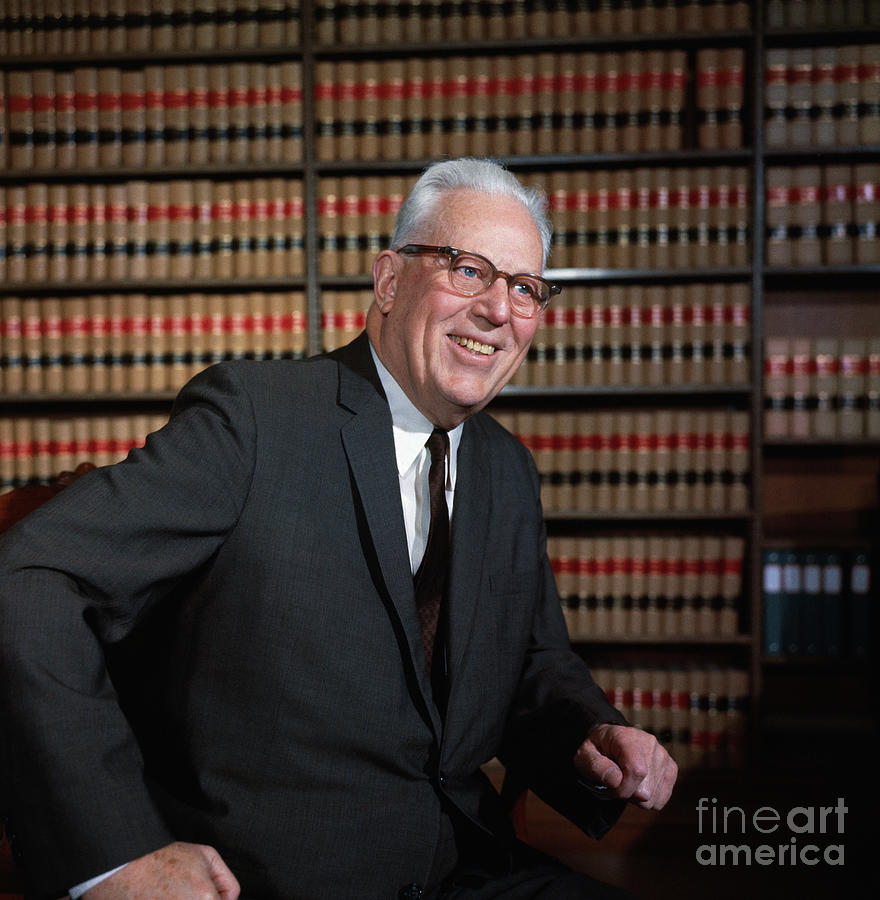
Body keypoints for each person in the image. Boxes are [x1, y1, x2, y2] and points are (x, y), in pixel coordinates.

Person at [0, 158, 676, 900]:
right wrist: (117, 853)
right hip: (273, 879)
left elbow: (529, 665)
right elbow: (28, 580)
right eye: (469, 270)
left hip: (466, 868)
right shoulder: (255, 420)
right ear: (389, 280)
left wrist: (589, 736)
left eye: (524, 288)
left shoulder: (509, 471)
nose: (499, 311)